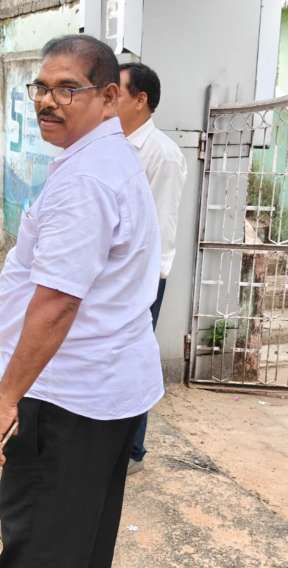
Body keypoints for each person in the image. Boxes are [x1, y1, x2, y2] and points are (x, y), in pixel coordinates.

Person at [0, 35, 164, 568]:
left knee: (43, 546)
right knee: (81, 539)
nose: (47, 102)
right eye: (42, 88)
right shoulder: (105, 159)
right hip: (98, 390)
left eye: (67, 89)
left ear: (109, 97)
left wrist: (5, 401)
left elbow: (56, 304)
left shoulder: (86, 180)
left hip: (66, 399)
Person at [118, 62, 187, 475]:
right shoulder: (115, 144)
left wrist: (147, 283)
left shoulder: (162, 154)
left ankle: (132, 450)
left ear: (140, 100)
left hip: (142, 279)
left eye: (116, 92)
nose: (107, 100)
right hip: (113, 276)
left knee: (134, 358)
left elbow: (162, 224)